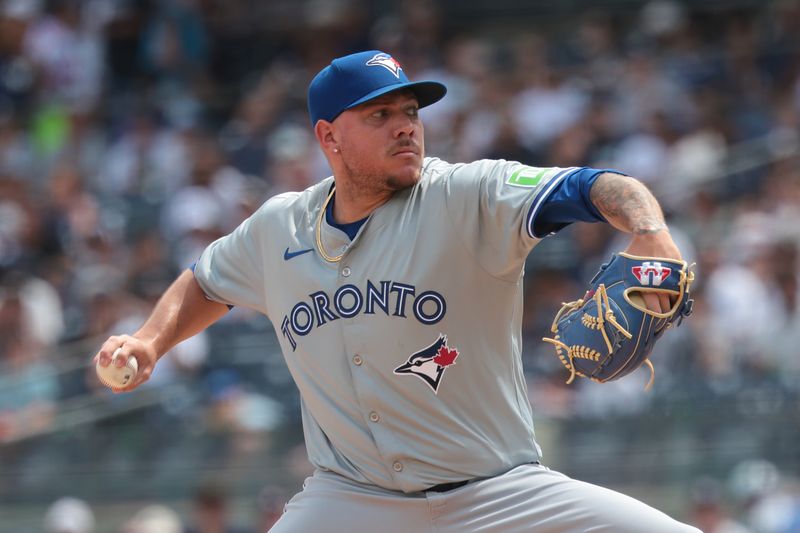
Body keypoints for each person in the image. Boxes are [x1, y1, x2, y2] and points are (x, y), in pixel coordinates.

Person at [94, 50, 700, 532]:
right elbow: (204, 281)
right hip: (350, 501)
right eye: (379, 115)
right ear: (329, 137)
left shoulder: (468, 196)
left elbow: (594, 185)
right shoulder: (279, 227)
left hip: (497, 495)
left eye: (410, 111)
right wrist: (151, 340)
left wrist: (650, 231)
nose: (406, 126)